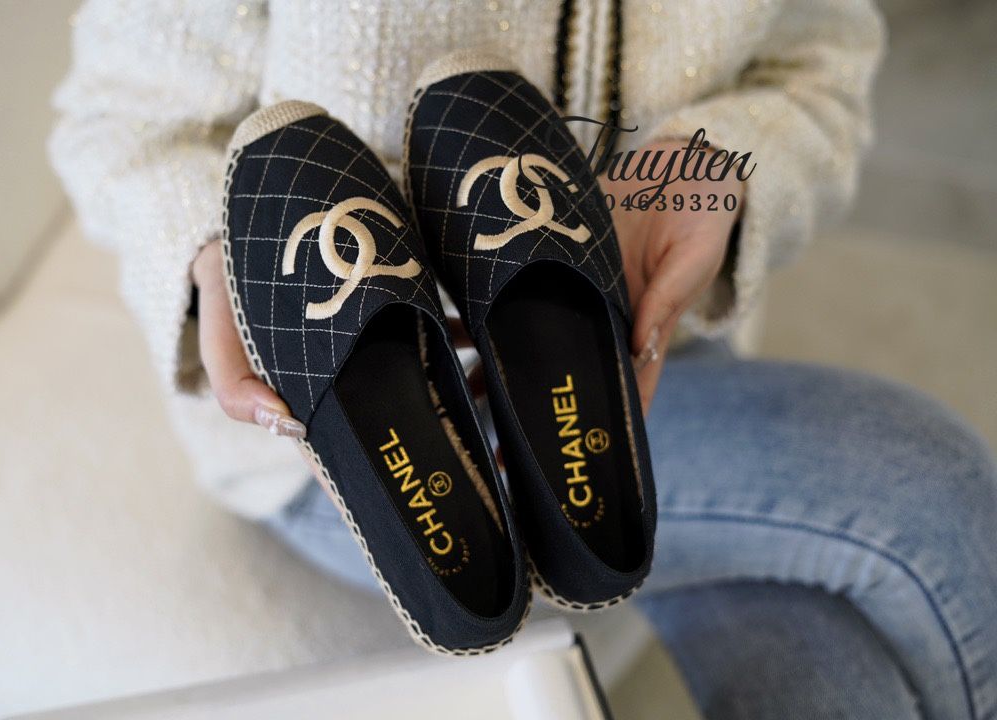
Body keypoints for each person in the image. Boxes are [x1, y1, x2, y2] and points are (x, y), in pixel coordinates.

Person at [50, 2, 997, 718]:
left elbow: (818, 76)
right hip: (321, 449)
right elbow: (120, 121)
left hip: (648, 359)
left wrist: (702, 172)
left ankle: (512, 559)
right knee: (925, 483)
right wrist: (207, 256)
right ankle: (579, 538)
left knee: (836, 683)